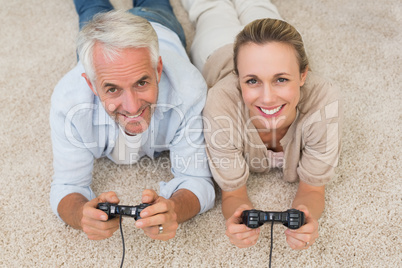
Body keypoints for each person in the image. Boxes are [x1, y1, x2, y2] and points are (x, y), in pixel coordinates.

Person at [181, 0, 342, 250]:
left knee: (255, 4)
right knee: (211, 8)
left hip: (260, 51)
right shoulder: (221, 104)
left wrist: (307, 214)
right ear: (238, 78)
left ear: (303, 75)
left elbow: (313, 188)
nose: (267, 98)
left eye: (281, 79)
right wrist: (237, 216)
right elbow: (233, 193)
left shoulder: (323, 100)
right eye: (252, 81)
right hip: (217, 48)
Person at [49, 0, 215, 241]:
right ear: (91, 85)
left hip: (157, 23)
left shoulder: (188, 88)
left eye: (141, 82)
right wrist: (79, 214)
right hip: (103, 36)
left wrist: (175, 210)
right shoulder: (68, 102)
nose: (132, 107)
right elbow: (66, 185)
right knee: (91, 10)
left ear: (158, 70)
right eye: (113, 89)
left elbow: (199, 180)